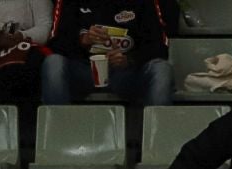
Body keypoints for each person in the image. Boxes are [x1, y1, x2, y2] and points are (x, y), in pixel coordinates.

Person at [39, 0, 171, 105]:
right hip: (84, 71)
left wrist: (129, 60)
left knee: (161, 68)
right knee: (53, 62)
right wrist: (83, 41)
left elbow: (160, 46)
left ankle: (158, 134)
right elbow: (55, 44)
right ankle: (58, 131)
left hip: (127, 74)